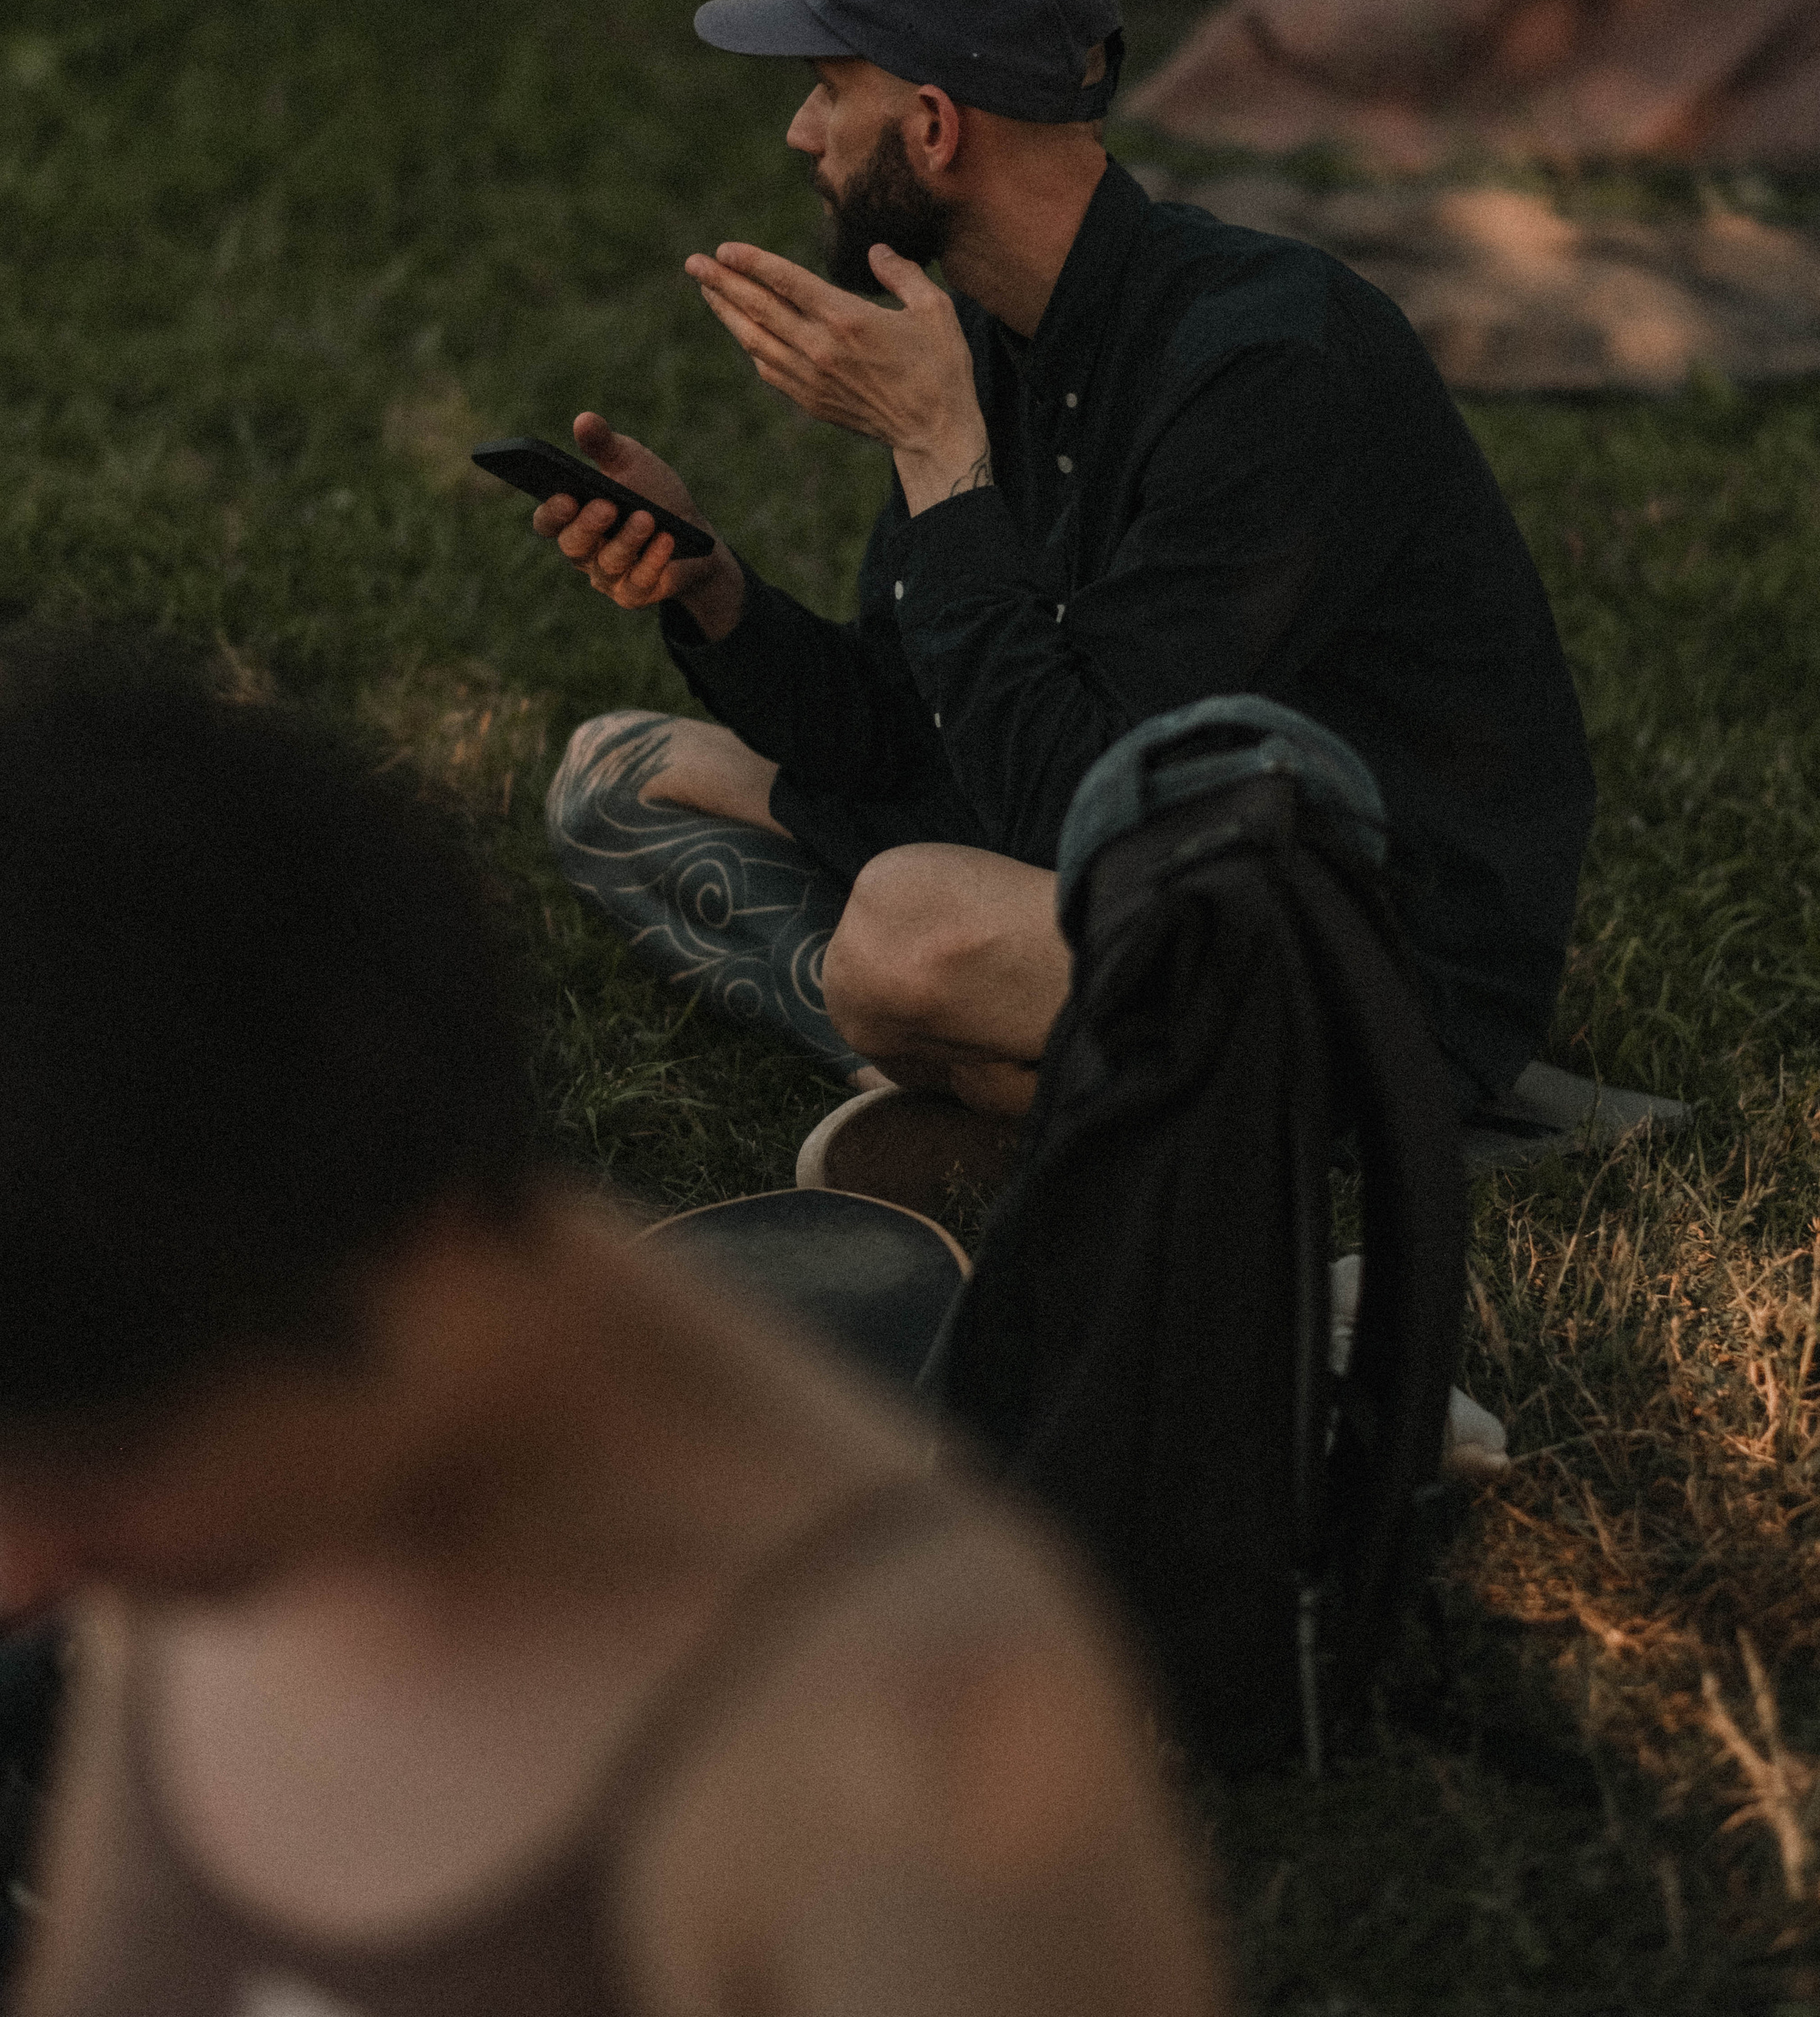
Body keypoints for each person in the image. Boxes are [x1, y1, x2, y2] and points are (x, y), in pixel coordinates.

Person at [0, 629, 1222, 2017]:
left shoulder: (914, 1746)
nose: (20, 1571)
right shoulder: (158, 1342)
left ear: (411, 1264)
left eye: (92, 1479)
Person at [540, 0, 1605, 1198]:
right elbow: (909, 726)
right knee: (616, 776)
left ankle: (981, 1070)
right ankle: (976, 1082)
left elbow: (1078, 821)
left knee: (906, 928)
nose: (801, 129)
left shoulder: (1272, 369)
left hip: (1361, 954)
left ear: (932, 127)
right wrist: (710, 587)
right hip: (1101, 880)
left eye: (829, 86)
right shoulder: (982, 340)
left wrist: (943, 459)